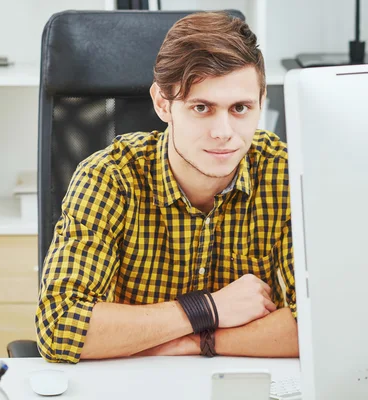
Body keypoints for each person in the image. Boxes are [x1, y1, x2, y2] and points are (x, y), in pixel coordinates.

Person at [35, 10, 298, 364]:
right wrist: (208, 308)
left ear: (261, 101)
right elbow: (59, 327)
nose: (223, 132)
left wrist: (198, 341)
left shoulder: (286, 175)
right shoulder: (110, 177)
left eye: (240, 108)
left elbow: (320, 323)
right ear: (162, 103)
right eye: (201, 107)